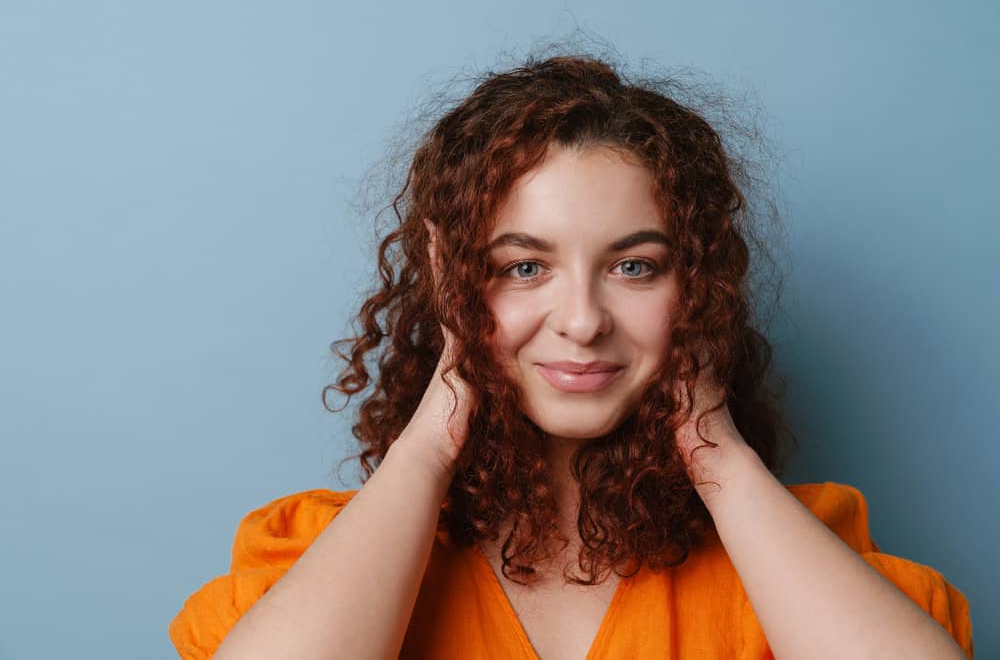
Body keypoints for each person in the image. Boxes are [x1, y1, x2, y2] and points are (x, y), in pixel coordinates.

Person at [169, 51, 974, 659]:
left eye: (635, 266)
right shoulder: (329, 558)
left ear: (695, 285)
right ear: (452, 286)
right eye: (523, 267)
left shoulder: (791, 555)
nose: (583, 320)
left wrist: (714, 447)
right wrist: (428, 443)